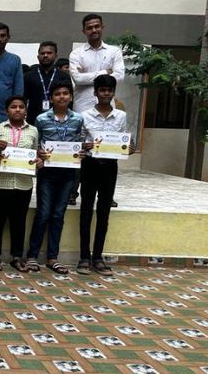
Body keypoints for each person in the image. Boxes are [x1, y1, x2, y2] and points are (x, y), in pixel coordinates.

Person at [25, 81, 85, 274]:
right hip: (47, 173)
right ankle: (32, 256)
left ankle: (53, 258)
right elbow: (36, 142)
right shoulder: (41, 118)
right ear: (51, 98)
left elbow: (81, 141)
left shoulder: (78, 119)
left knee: (58, 215)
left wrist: (82, 152)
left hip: (68, 173)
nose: (62, 97)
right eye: (57, 94)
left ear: (71, 97)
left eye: (65, 93)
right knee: (43, 213)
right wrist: (39, 152)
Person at [69, 14, 125, 207]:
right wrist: (104, 73)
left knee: (108, 150)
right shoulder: (77, 53)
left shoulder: (114, 51)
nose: (93, 30)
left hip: (108, 111)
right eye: (89, 27)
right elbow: (77, 78)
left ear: (102, 27)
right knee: (80, 149)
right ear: (83, 31)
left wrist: (89, 75)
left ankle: (107, 194)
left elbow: (119, 76)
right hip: (82, 108)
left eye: (96, 26)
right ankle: (73, 192)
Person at [77, 75, 130, 276]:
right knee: (86, 211)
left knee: (104, 212)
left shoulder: (121, 116)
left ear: (113, 92)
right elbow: (78, 142)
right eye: (102, 90)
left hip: (110, 167)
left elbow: (125, 142)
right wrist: (84, 146)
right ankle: (84, 257)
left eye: (109, 90)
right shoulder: (84, 116)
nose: (106, 93)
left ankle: (98, 258)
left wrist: (129, 147)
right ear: (95, 92)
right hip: (90, 165)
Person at [0, 96, 40, 272]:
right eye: (13, 107)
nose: (17, 110)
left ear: (26, 110)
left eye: (21, 107)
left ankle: (17, 257)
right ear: (6, 110)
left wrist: (38, 161)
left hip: (23, 184)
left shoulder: (33, 131)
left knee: (19, 222)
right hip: (0, 182)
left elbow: (35, 153)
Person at [23, 41, 70, 124]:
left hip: (58, 120)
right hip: (33, 120)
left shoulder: (63, 76)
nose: (45, 55)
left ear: (56, 56)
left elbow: (69, 100)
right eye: (42, 53)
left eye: (49, 53)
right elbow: (23, 99)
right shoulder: (28, 76)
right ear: (38, 56)